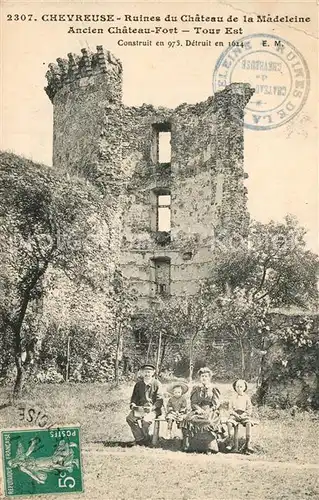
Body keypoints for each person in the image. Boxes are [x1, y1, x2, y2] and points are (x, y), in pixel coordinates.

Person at [181, 367, 222, 454]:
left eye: (206, 376)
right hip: (198, 409)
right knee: (189, 420)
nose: (204, 378)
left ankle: (209, 448)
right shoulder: (196, 388)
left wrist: (210, 410)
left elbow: (216, 403)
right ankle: (192, 447)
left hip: (210, 410)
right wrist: (198, 409)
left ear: (209, 377)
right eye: (202, 376)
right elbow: (193, 402)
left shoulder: (213, 388)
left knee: (208, 422)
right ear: (199, 377)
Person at [126, 363, 163, 446]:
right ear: (142, 373)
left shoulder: (157, 384)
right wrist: (133, 404)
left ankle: (146, 439)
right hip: (140, 409)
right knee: (130, 418)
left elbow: (160, 400)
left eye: (149, 372)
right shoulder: (138, 384)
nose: (147, 374)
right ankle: (140, 439)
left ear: (153, 373)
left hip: (153, 410)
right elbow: (134, 397)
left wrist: (152, 408)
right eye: (145, 372)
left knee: (146, 421)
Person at [226, 379, 254, 454]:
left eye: (241, 387)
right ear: (235, 387)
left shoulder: (246, 397)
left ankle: (248, 444)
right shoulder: (232, 397)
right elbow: (230, 409)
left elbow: (249, 408)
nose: (239, 388)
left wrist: (244, 415)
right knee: (229, 423)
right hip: (234, 415)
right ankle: (231, 442)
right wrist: (235, 414)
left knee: (248, 423)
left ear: (244, 388)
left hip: (244, 415)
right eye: (237, 387)